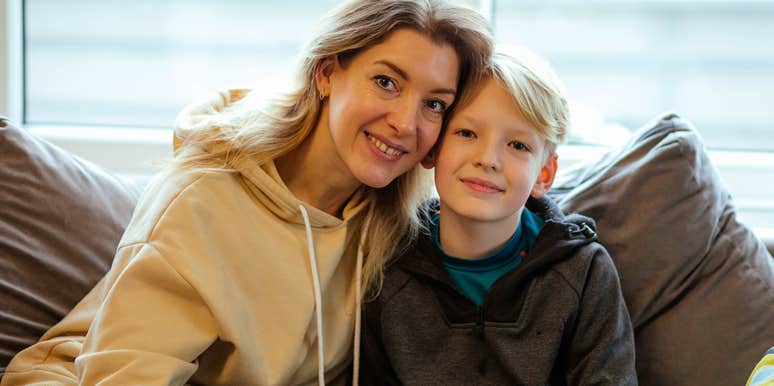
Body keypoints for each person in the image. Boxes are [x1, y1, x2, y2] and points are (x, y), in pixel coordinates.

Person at [0, 1, 493, 385]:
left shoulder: (389, 218)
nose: (406, 123)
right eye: (386, 82)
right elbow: (120, 376)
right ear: (326, 73)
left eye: (434, 104)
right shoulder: (202, 204)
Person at [360, 47, 637, 385]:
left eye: (518, 146)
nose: (488, 159)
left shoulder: (582, 271)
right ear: (433, 148)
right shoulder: (387, 264)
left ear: (544, 175)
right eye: (467, 134)